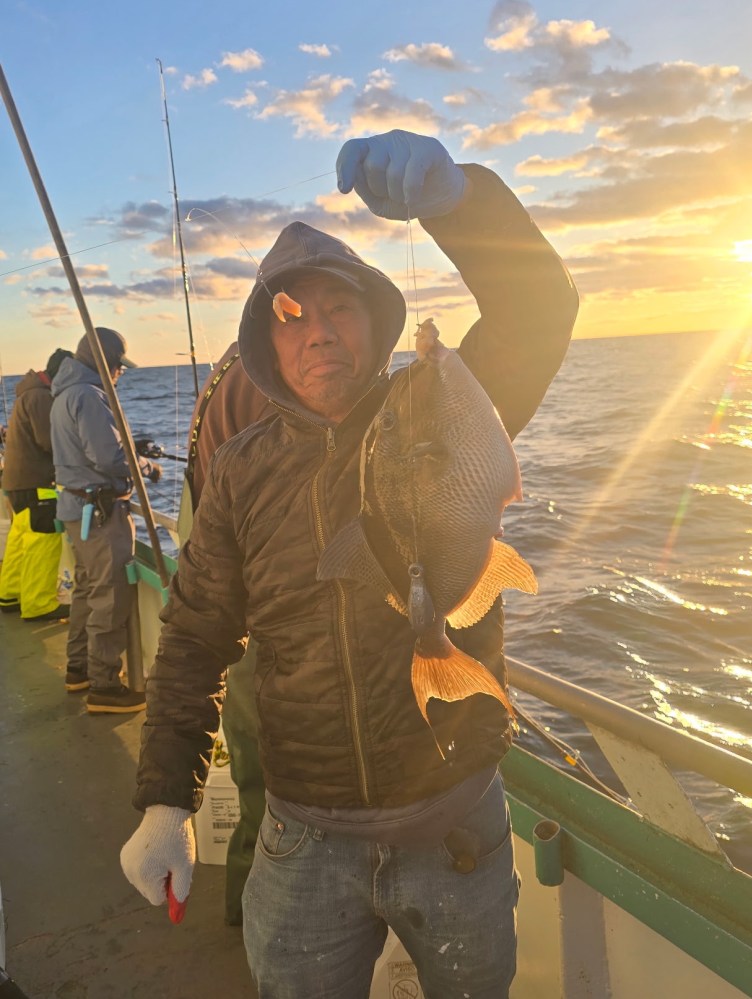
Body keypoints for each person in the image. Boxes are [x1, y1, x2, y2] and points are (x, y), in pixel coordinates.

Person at [121, 129, 579, 997]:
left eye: (340, 308)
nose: (319, 332)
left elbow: (538, 308)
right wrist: (164, 797)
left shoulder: (440, 406)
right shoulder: (241, 471)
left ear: (376, 322)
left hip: (455, 826)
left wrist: (463, 205)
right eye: (294, 315)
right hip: (303, 837)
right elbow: (192, 638)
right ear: (266, 337)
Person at [183, 344, 274, 926]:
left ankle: (242, 915)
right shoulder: (271, 377)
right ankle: (260, 927)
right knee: (271, 788)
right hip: (263, 620)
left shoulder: (224, 371)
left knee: (254, 781)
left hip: (236, 605)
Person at [50, 327, 162, 713]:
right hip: (100, 515)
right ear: (107, 364)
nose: (121, 374)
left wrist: (132, 445)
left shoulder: (66, 393)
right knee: (109, 597)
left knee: (86, 592)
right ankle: (104, 686)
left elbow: (94, 450)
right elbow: (109, 459)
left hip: (76, 511)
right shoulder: (91, 395)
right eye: (119, 367)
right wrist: (145, 464)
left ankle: (78, 669)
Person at [0, 348, 73, 621]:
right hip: (37, 485)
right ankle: (38, 604)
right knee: (42, 544)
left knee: (20, 542)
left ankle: (9, 595)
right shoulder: (42, 397)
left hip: (17, 483)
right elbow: (49, 441)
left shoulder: (26, 394)